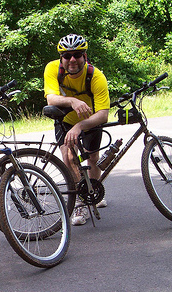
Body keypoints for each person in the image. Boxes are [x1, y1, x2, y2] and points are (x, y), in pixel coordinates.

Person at [44, 34, 110, 226]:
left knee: (93, 158)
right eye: (67, 55)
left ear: (85, 56)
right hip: (64, 120)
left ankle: (93, 190)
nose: (72, 59)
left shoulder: (96, 76)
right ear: (61, 58)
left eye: (77, 54)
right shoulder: (52, 69)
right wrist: (73, 101)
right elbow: (51, 98)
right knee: (70, 158)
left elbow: (104, 114)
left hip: (90, 120)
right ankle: (80, 200)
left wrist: (80, 126)